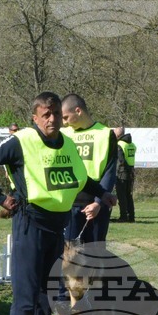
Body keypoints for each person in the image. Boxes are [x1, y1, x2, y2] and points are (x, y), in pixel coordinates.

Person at [0, 92, 117, 315]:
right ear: (35, 118)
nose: (52, 119)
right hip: (30, 223)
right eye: (46, 115)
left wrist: (103, 193)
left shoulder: (66, 143)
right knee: (26, 294)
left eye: (56, 113)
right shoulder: (22, 141)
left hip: (57, 226)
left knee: (47, 294)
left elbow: (82, 178)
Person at [60, 94, 119, 244]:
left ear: (78, 111)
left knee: (96, 254)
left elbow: (110, 171)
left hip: (96, 203)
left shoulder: (105, 134)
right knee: (69, 254)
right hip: (69, 204)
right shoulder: (63, 135)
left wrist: (98, 203)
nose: (64, 123)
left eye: (66, 117)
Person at [113, 127, 137, 223]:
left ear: (118, 135)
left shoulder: (119, 144)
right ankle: (131, 217)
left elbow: (121, 160)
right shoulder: (132, 144)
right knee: (129, 195)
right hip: (131, 172)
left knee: (121, 196)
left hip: (122, 173)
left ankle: (123, 217)